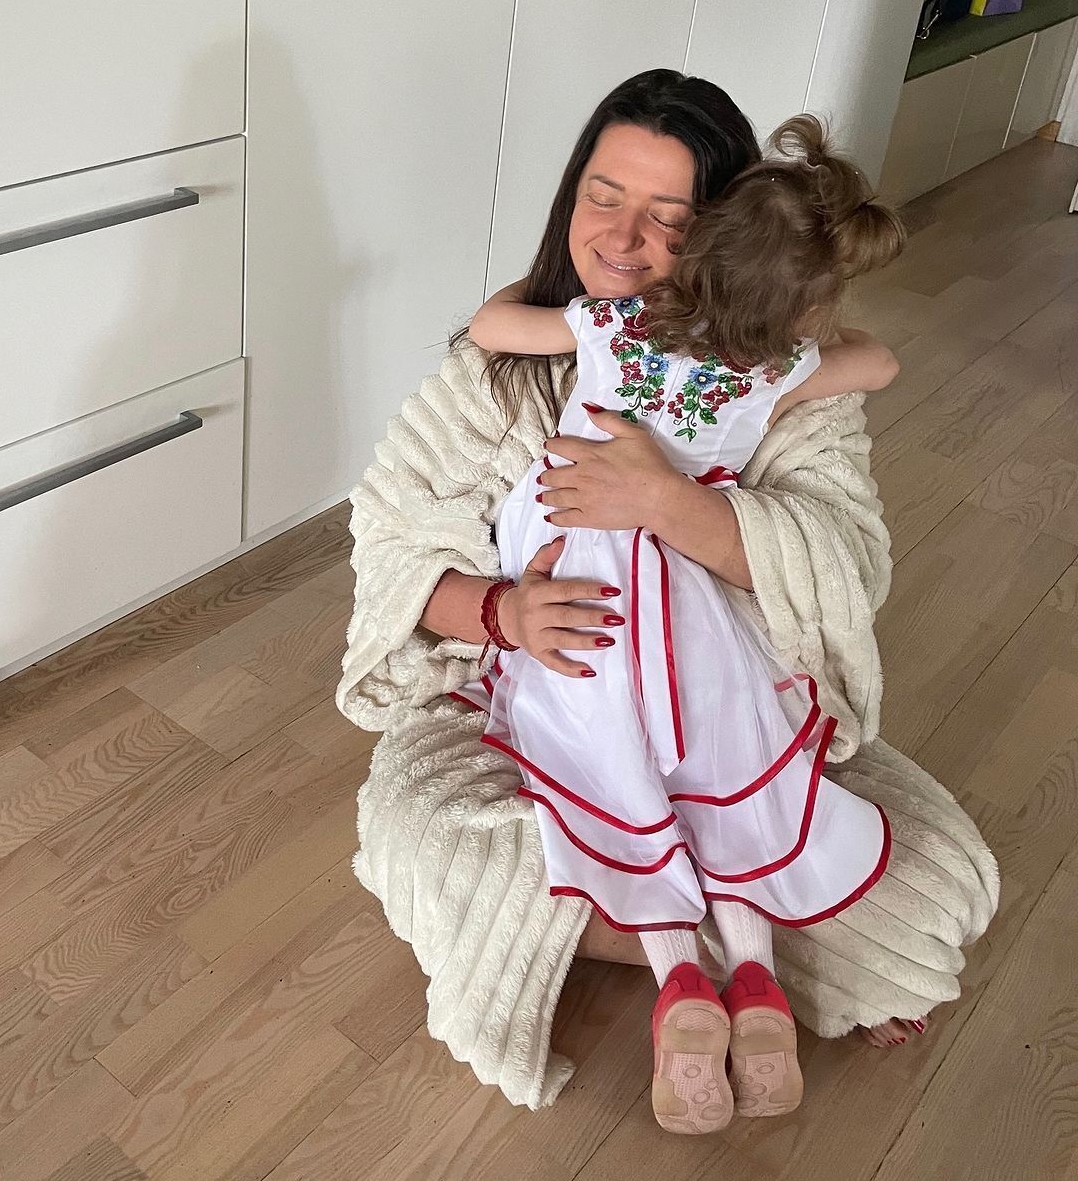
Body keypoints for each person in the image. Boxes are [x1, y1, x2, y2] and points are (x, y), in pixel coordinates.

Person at [335, 69, 999, 1112]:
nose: (622, 238)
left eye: (669, 218)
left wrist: (667, 503)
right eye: (602, 196)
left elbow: (846, 565)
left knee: (940, 879)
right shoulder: (521, 362)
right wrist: (503, 613)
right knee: (421, 832)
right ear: (571, 194)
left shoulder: (771, 369)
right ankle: (753, 947)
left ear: (722, 234)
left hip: (728, 711)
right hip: (524, 707)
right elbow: (391, 535)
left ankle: (641, 931)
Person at [457, 115, 904, 1133]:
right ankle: (756, 979)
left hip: (573, 554)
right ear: (807, 305)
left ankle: (679, 983)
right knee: (713, 758)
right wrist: (803, 338)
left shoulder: (611, 326)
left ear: (694, 245)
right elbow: (878, 363)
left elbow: (489, 326)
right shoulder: (775, 372)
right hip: (681, 584)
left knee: (607, 757)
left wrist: (568, 299)